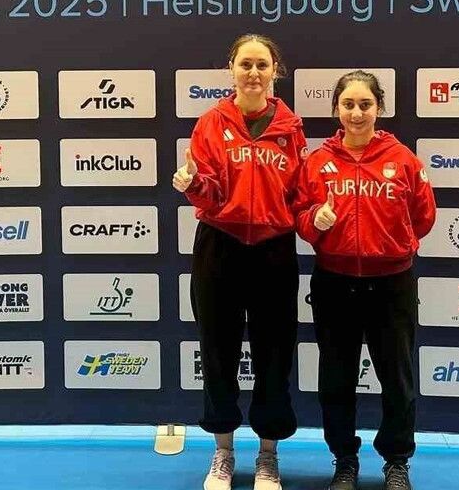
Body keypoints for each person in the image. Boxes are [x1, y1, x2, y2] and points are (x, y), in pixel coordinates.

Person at [173, 33, 307, 490]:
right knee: (218, 349)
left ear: (275, 72)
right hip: (220, 245)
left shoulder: (291, 128)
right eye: (245, 64)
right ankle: (223, 452)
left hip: (273, 249)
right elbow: (208, 189)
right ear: (232, 69)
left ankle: (268, 455)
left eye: (262, 65)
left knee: (273, 352)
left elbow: (296, 193)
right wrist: (193, 184)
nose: (253, 73)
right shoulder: (211, 123)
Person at [294, 71, 436, 490]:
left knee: (398, 378)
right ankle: (344, 460)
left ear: (379, 108)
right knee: (336, 379)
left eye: (365, 105)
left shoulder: (404, 159)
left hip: (391, 285)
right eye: (348, 105)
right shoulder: (318, 163)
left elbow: (424, 216)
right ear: (336, 109)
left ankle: (396, 461)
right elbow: (300, 217)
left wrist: (394, 243)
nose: (356, 113)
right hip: (335, 284)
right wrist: (314, 221)